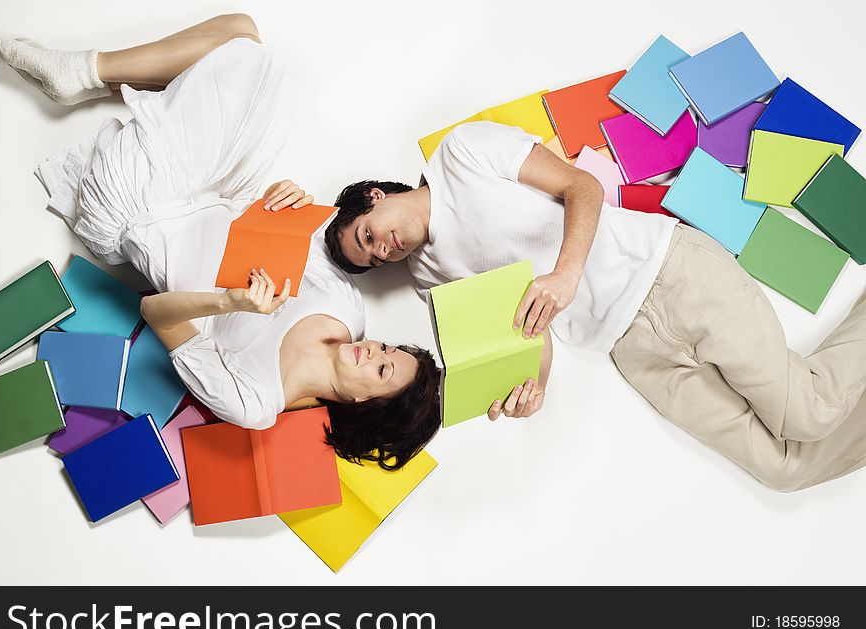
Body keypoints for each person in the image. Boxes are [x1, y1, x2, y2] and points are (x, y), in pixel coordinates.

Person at [0, 14, 441, 470]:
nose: (375, 351)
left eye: (382, 370)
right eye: (389, 349)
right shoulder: (348, 310)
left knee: (242, 53)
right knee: (245, 36)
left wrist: (228, 303)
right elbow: (278, 230)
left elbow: (154, 312)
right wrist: (286, 200)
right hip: (220, 193)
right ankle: (97, 77)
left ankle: (90, 72)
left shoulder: (256, 402)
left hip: (144, 213)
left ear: (366, 404)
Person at [324, 119, 866, 491]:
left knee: (809, 411)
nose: (383, 250)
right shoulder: (427, 279)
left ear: (376, 197)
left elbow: (581, 186)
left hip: (669, 273)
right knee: (784, 468)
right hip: (631, 349)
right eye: (373, 260)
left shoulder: (459, 154)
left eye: (369, 236)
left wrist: (566, 272)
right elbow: (527, 332)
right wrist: (529, 388)